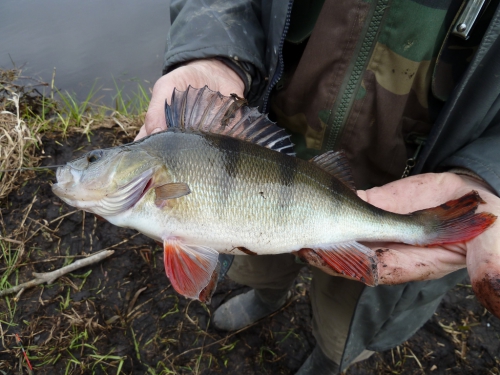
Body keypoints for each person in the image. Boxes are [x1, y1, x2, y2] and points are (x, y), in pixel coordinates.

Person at [136, 1, 500, 373]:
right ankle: (267, 296)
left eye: (93, 159)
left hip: (409, 174)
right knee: (256, 264)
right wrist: (215, 56)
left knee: (349, 314)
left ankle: (330, 358)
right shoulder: (156, 164)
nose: (82, 166)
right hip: (275, 130)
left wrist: (490, 172)